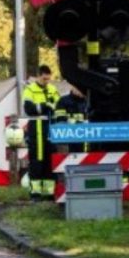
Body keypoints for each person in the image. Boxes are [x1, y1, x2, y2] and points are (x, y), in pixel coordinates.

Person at [23, 65, 61, 201]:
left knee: (50, 159)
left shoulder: (52, 89)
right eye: (44, 79)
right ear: (39, 76)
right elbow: (28, 108)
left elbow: (58, 106)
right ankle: (35, 194)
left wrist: (45, 107)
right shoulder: (29, 89)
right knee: (36, 161)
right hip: (36, 128)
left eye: (48, 79)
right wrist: (45, 106)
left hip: (50, 127)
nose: (47, 81)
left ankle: (49, 192)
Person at [53, 85, 88, 153]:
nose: (81, 91)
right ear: (72, 87)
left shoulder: (88, 101)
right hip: (69, 139)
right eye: (78, 88)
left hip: (86, 138)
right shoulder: (63, 101)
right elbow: (60, 120)